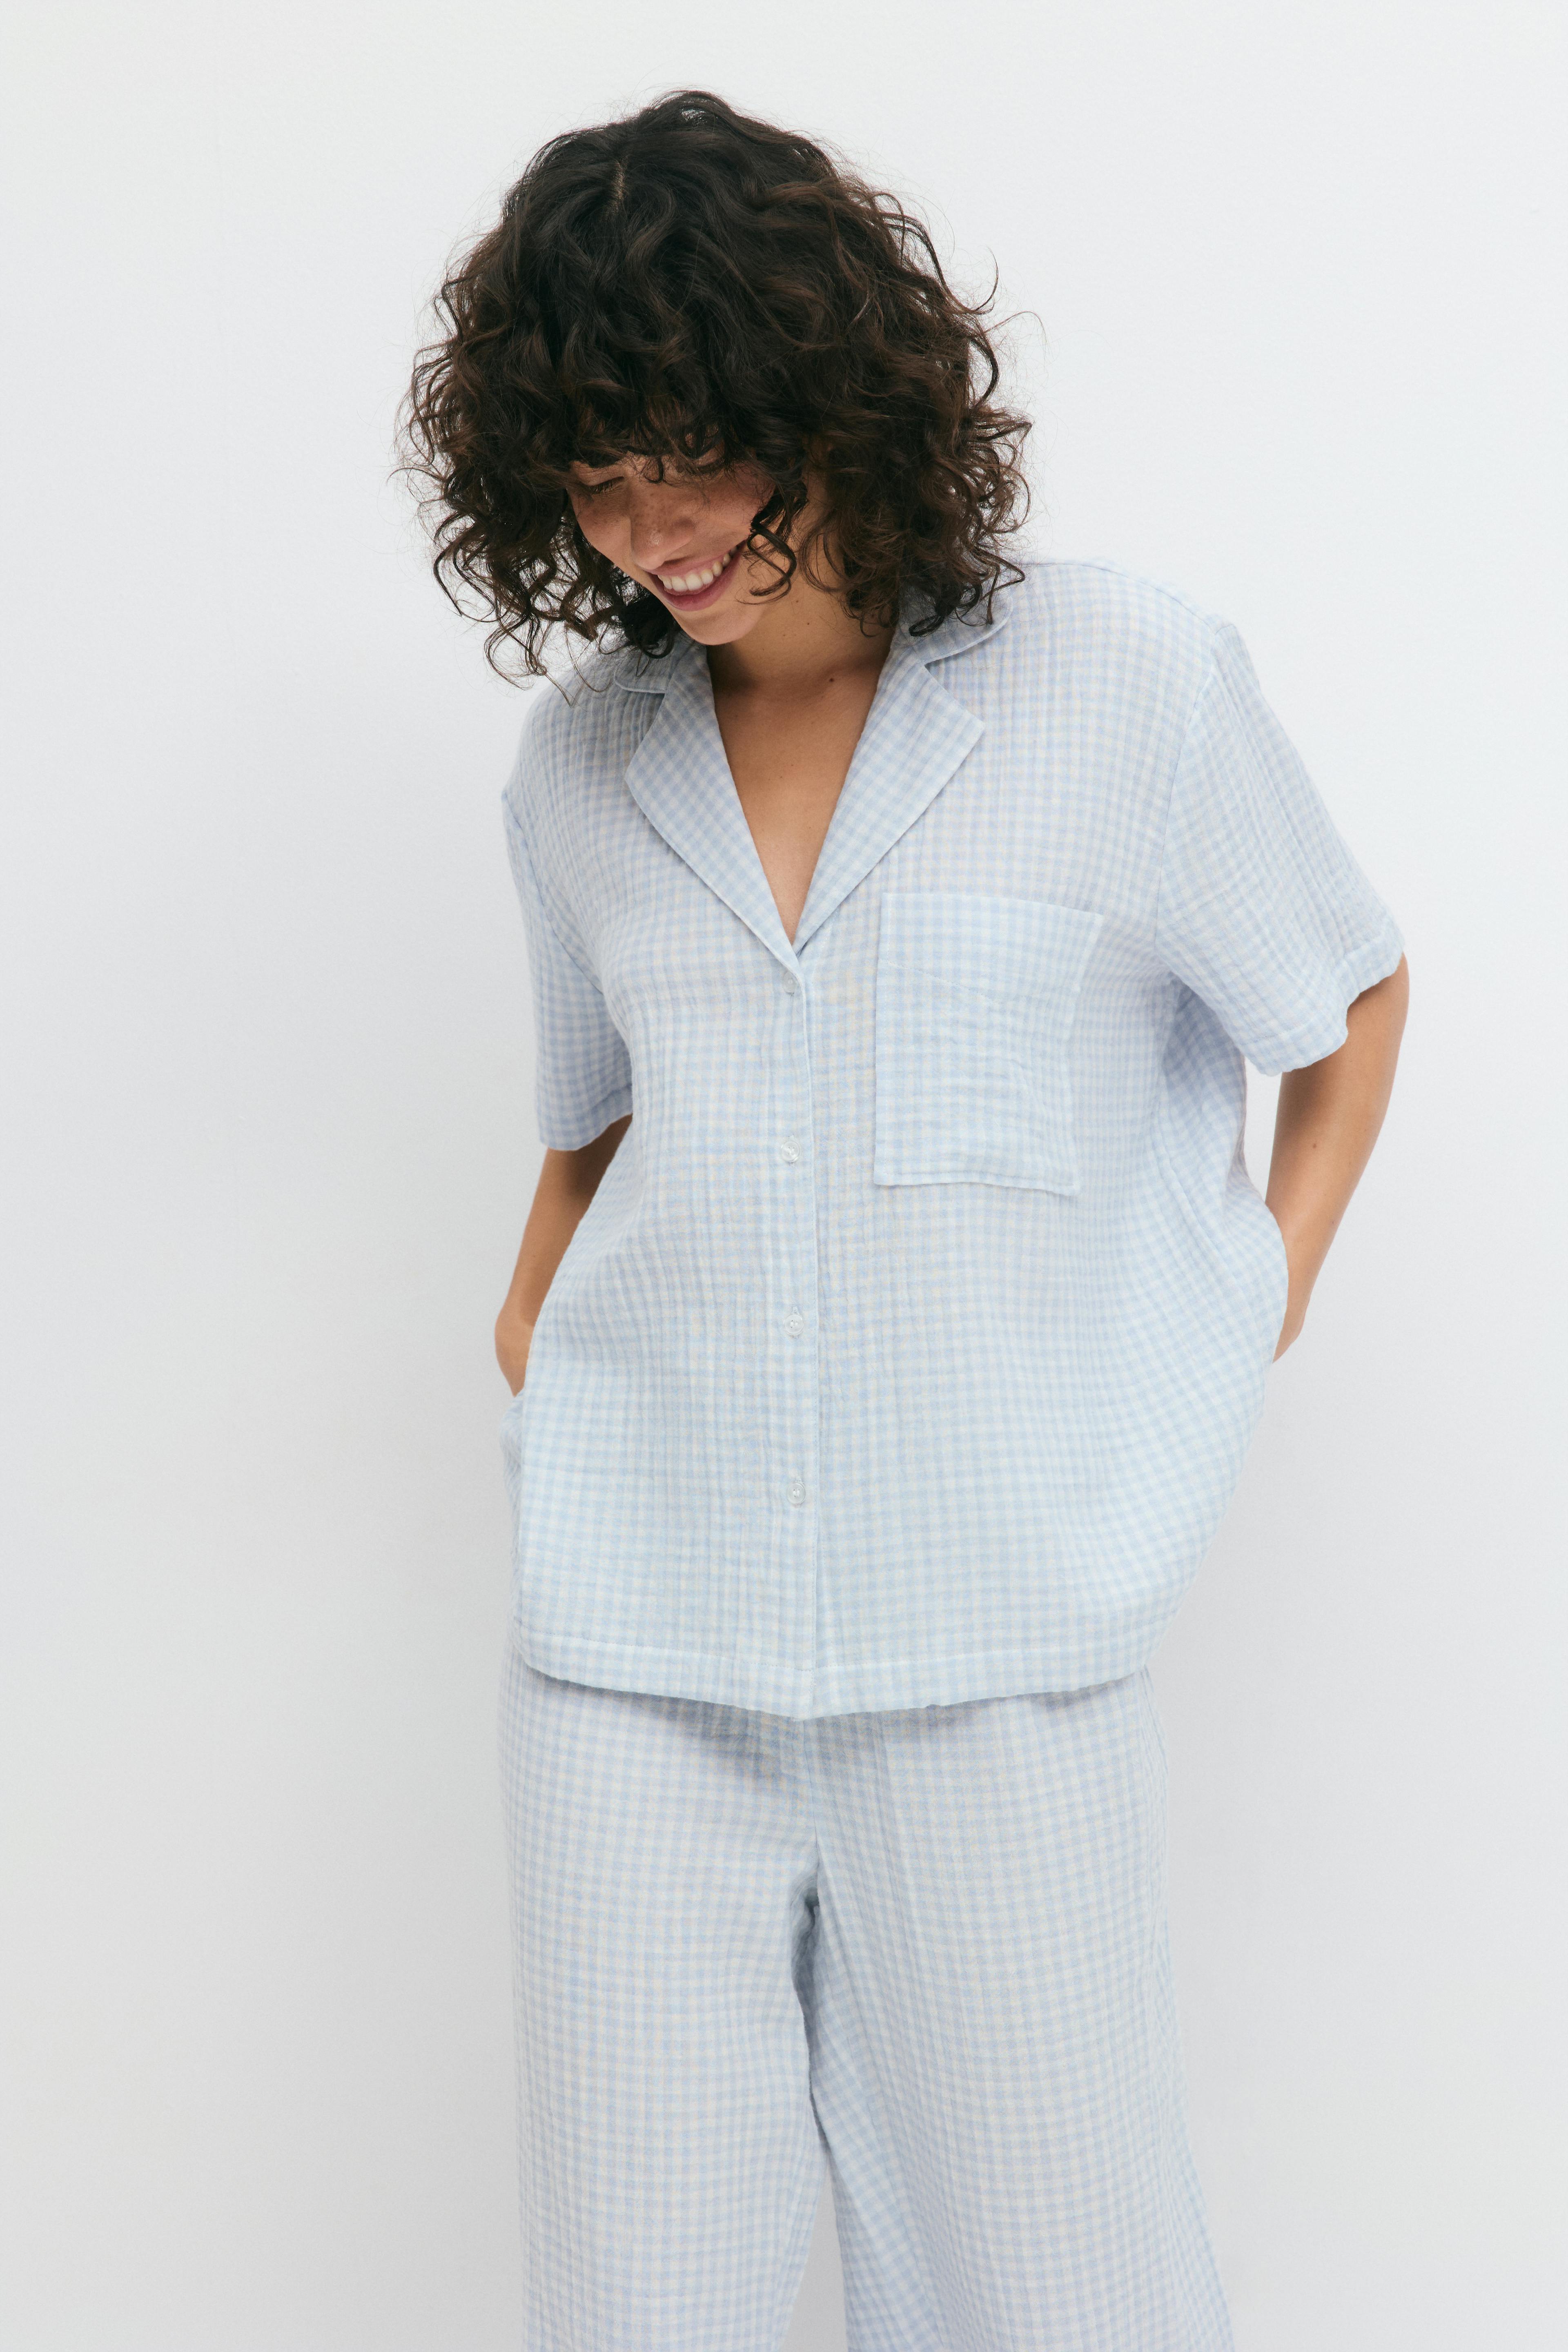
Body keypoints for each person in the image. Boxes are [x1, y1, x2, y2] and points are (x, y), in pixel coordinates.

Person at [403, 87, 1408, 2352]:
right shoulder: (583, 769)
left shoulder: (1126, 686)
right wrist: (536, 1344)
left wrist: (1250, 1292)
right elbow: (592, 1128)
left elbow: (1345, 999)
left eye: (692, 454)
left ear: (827, 393)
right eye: (597, 476)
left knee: (1066, 2283)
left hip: (998, 1644)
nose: (654, 530)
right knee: (639, 2291)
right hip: (631, 1653)